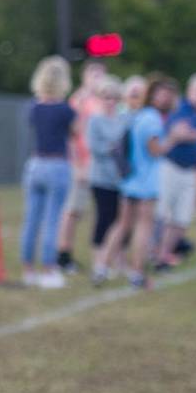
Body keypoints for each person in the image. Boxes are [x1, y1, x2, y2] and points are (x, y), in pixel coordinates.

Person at [19, 56, 76, 289]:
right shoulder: (66, 110)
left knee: (31, 219)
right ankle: (49, 269)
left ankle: (28, 269)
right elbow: (75, 133)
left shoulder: (34, 107)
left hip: (35, 164)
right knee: (52, 219)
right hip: (57, 164)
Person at [156, 72, 196, 268]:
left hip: (191, 170)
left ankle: (165, 254)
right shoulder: (180, 109)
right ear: (190, 91)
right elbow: (181, 134)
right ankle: (157, 255)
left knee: (182, 219)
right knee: (164, 216)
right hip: (171, 167)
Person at [124, 75, 178, 289]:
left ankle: (103, 268)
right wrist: (174, 138)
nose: (166, 99)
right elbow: (155, 150)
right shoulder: (153, 119)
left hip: (133, 178)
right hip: (146, 181)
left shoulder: (140, 115)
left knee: (125, 225)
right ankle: (137, 273)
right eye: (162, 94)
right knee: (143, 228)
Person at [57, 60, 105, 273]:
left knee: (96, 212)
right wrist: (76, 163)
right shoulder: (78, 100)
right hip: (82, 165)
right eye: (93, 72)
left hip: (100, 165)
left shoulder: (102, 101)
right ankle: (63, 254)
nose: (97, 77)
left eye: (101, 73)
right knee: (72, 210)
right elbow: (70, 135)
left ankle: (102, 256)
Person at [86, 74, 128, 285]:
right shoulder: (95, 120)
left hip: (120, 178)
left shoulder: (122, 119)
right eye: (106, 97)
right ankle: (98, 260)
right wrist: (113, 148)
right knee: (104, 219)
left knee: (121, 221)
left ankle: (118, 260)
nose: (110, 101)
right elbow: (96, 148)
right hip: (101, 178)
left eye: (113, 97)